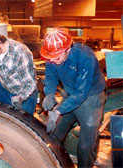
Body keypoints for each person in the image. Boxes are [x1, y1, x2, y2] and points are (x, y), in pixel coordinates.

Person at [40, 28, 106, 167]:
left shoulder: (85, 56)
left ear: (67, 49)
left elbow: (81, 93)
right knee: (54, 135)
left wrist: (58, 110)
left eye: (57, 58)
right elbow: (51, 77)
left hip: (90, 97)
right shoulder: (52, 56)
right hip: (70, 94)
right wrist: (50, 93)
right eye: (50, 59)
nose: (54, 61)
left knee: (85, 146)